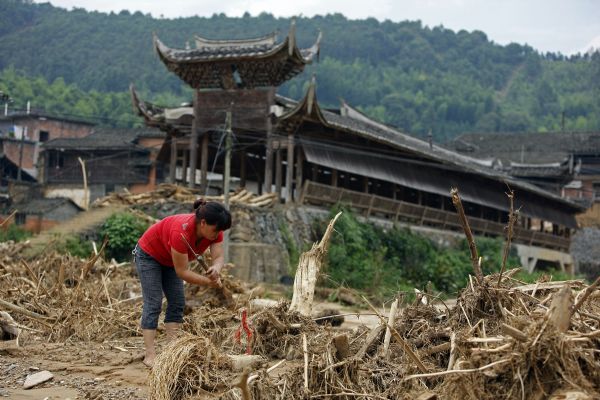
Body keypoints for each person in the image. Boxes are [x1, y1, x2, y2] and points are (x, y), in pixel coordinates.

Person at [133, 199, 232, 367]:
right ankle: (150, 355)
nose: (217, 234)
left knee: (177, 302)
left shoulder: (215, 229)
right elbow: (182, 272)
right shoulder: (181, 233)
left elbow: (218, 257)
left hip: (170, 260)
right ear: (203, 223)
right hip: (149, 256)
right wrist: (208, 282)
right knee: (154, 303)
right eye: (215, 230)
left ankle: (172, 350)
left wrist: (216, 268)